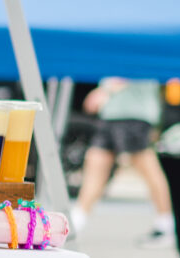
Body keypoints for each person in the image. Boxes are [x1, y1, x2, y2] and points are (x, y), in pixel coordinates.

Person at [70, 77, 172, 240]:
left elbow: (132, 67)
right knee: (95, 163)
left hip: (134, 113)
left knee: (148, 168)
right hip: (110, 113)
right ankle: (77, 220)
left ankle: (165, 223)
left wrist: (104, 91)